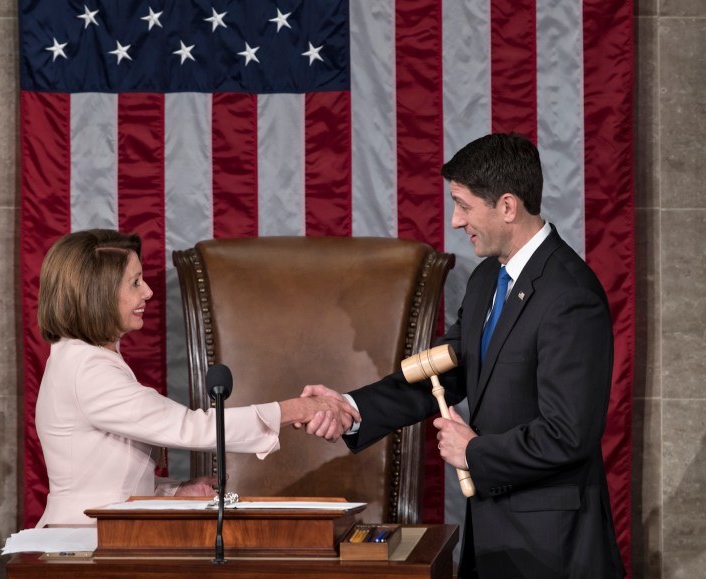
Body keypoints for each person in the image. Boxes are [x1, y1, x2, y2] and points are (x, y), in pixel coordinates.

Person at [302, 133, 626, 578]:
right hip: (494, 537)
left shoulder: (570, 294)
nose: (456, 221)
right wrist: (352, 408)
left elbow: (569, 433)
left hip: (552, 549)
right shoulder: (486, 281)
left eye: (464, 205)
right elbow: (445, 371)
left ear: (508, 207)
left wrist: (475, 452)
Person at [34, 229, 360, 528]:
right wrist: (296, 410)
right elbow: (191, 427)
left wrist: (176, 491)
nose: (147, 292)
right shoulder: (88, 369)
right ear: (98, 293)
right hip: (80, 540)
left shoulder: (84, 358)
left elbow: (106, 477)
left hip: (102, 534)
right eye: (134, 283)